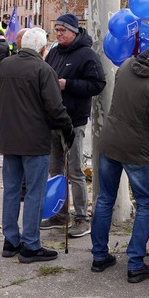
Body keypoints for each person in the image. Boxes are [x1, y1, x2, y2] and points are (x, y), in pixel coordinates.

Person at [90, 34, 149, 283]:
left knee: (104, 200)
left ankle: (99, 256)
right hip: (137, 149)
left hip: (110, 142)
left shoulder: (126, 65)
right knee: (145, 204)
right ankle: (135, 263)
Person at [0, 26, 72, 264]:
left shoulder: (6, 65)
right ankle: (30, 244)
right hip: (35, 141)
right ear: (43, 49)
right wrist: (67, 127)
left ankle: (10, 240)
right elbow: (55, 107)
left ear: (21, 46)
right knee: (34, 192)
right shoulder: (45, 69)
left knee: (12, 191)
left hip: (10, 139)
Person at [40, 13, 105, 239]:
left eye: (62, 30)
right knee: (55, 170)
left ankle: (81, 218)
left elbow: (98, 84)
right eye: (56, 30)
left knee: (75, 171)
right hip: (53, 121)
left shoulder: (87, 54)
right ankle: (59, 213)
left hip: (74, 122)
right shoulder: (55, 53)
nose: (58, 34)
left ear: (74, 31)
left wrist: (68, 84)